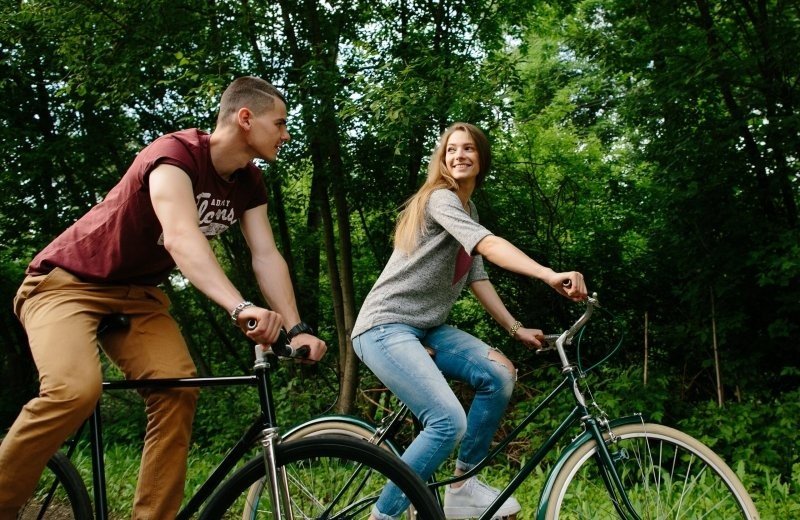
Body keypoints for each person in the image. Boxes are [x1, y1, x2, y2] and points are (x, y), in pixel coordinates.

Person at [0, 76, 326, 519]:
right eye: (280, 123)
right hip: (67, 283)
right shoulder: (175, 155)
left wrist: (296, 325)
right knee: (74, 390)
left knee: (178, 388)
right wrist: (240, 306)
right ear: (245, 119)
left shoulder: (249, 183)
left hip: (137, 296)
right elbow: (180, 237)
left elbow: (266, 255)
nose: (286, 134)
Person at [351, 122, 587, 520]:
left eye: (468, 150)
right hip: (385, 325)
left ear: (481, 158)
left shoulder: (467, 208)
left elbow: (477, 277)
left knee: (498, 374)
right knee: (446, 422)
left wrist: (515, 328)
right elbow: (489, 246)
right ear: (442, 160)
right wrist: (548, 274)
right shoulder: (440, 198)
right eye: (451, 150)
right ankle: (384, 516)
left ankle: (462, 487)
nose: (459, 156)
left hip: (425, 327)